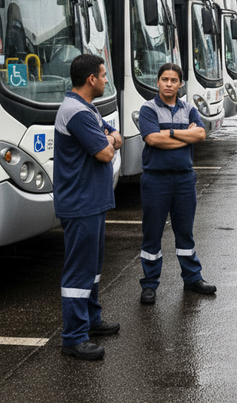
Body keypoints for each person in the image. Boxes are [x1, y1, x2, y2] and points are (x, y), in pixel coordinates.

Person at [54, 54, 122, 360]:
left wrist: (109, 139)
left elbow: (115, 138)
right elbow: (105, 153)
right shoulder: (77, 113)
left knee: (92, 270)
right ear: (91, 79)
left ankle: (91, 321)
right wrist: (108, 141)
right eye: (104, 75)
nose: (106, 80)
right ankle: (73, 337)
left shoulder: (88, 109)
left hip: (92, 202)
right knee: (79, 273)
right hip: (81, 204)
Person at [138, 63, 215, 305]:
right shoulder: (148, 109)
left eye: (174, 80)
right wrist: (182, 135)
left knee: (185, 232)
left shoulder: (189, 109)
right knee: (152, 234)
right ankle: (149, 284)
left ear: (180, 84)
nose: (169, 84)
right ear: (158, 82)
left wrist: (168, 133)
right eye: (165, 79)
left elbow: (201, 135)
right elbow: (152, 139)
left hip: (183, 179)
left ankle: (192, 278)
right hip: (156, 180)